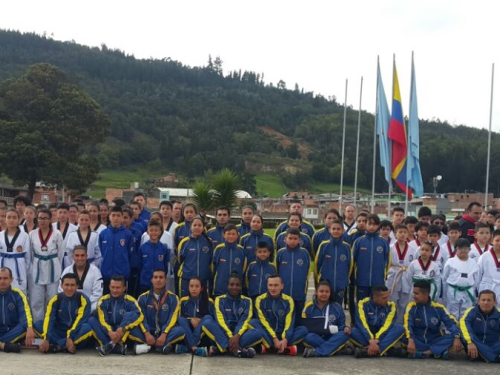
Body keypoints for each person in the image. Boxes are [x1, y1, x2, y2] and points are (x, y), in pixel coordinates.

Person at [35, 273, 93, 353]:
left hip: (75, 332)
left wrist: (70, 337)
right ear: (61, 286)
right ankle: (66, 346)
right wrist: (47, 338)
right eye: (66, 285)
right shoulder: (55, 299)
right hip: (59, 332)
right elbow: (49, 319)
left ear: (77, 286)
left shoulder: (83, 299)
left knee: (87, 328)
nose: (69, 288)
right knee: (38, 324)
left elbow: (80, 321)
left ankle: (57, 346)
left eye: (72, 285)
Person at [250, 275, 307, 355]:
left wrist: (285, 339)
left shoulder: (288, 300)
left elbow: (289, 323)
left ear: (282, 286)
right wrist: (274, 339)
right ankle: (284, 348)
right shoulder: (260, 300)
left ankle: (271, 348)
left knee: (303, 330)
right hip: (268, 335)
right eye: (270, 285)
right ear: (267, 285)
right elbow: (263, 322)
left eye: (276, 285)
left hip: (283, 334)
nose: (273, 288)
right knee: (253, 322)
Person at [404, 280, 462, 359]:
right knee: (399, 330)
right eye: (413, 293)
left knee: (456, 335)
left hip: (434, 340)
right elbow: (408, 324)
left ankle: (426, 353)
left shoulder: (438, 308)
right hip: (416, 341)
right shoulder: (411, 307)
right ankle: (437, 352)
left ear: (426, 294)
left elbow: (451, 323)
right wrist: (411, 339)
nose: (414, 296)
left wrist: (457, 337)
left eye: (416, 293)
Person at [89, 275, 145, 356]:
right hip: (109, 331)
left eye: (118, 288)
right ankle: (116, 348)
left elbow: (140, 316)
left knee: (130, 316)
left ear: (124, 288)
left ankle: (111, 346)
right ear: (109, 287)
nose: (115, 290)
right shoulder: (103, 300)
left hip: (124, 332)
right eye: (112, 287)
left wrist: (123, 328)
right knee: (92, 320)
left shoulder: (130, 300)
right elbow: (103, 320)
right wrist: (110, 332)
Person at [209, 273, 262, 357]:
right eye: (231, 284)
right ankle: (237, 350)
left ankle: (223, 349)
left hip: (240, 335)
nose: (234, 287)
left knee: (258, 333)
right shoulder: (219, 300)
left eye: (237, 285)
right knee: (208, 322)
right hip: (224, 333)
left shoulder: (247, 301)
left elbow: (244, 320)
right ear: (227, 286)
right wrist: (231, 337)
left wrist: (237, 335)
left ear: (241, 287)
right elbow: (221, 321)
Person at [136, 269, 186, 355]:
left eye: (161, 277)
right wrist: (147, 333)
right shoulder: (143, 298)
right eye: (155, 277)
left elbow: (172, 318)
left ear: (166, 280)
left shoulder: (173, 298)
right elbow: (141, 318)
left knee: (180, 330)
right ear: (152, 280)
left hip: (165, 333)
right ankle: (162, 346)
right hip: (148, 332)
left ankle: (150, 346)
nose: (158, 280)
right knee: (132, 330)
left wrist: (164, 333)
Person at [350, 285, 406, 358]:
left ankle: (368, 352)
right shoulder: (362, 304)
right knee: (351, 331)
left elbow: (387, 326)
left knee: (400, 328)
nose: (387, 300)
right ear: (375, 297)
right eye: (384, 298)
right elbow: (362, 324)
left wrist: (376, 340)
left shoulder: (391, 306)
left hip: (382, 336)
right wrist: (370, 340)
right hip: (366, 335)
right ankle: (386, 350)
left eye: (388, 297)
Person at [29, 208, 64, 321]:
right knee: (36, 300)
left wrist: (54, 262)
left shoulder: (57, 233)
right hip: (37, 268)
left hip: (53, 267)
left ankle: (50, 324)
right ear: (37, 219)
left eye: (45, 218)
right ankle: (38, 325)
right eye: (40, 218)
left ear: (50, 220)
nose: (42, 221)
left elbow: (61, 253)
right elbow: (30, 253)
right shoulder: (32, 234)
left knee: (52, 298)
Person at [302, 281, 352, 358]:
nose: (324, 294)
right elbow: (305, 325)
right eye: (321, 291)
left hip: (332, 336)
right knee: (308, 337)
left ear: (330, 293)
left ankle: (317, 352)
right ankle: (335, 350)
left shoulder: (337, 307)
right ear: (316, 292)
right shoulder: (309, 307)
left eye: (327, 291)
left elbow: (341, 325)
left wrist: (345, 328)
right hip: (315, 337)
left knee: (345, 335)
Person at [352, 214, 390, 308]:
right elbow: (352, 261)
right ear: (366, 224)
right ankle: (360, 322)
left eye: (374, 224)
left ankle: (375, 322)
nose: (372, 227)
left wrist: (384, 276)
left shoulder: (384, 242)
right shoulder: (358, 241)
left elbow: (387, 261)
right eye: (369, 224)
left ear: (378, 226)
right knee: (361, 304)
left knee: (377, 304)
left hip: (377, 281)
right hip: (362, 280)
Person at [98, 206, 135, 294]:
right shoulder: (103, 234)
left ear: (122, 218)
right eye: (113, 215)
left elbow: (130, 253)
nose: (116, 218)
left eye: (118, 215)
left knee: (122, 300)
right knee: (107, 299)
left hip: (122, 274)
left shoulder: (128, 234)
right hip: (107, 273)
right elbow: (102, 252)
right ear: (109, 217)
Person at [276, 228, 311, 321]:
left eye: (295, 239)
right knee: (283, 317)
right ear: (285, 239)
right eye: (290, 238)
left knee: (297, 318)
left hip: (299, 293)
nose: (292, 241)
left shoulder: (305, 253)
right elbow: (276, 271)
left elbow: (307, 271)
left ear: (299, 240)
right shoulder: (280, 253)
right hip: (283, 293)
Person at [176, 277, 216, 357]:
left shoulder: (209, 302)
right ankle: (194, 348)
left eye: (197, 286)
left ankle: (188, 348)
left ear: (201, 288)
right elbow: (180, 317)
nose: (194, 289)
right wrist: (191, 320)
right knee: (180, 320)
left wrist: (201, 321)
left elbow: (213, 320)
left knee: (208, 318)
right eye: (191, 286)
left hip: (202, 332)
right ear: (188, 287)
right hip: (189, 331)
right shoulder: (183, 301)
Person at [314, 219, 352, 305]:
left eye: (338, 229)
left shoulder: (347, 247)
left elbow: (350, 265)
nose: (336, 231)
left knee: (338, 305)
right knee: (325, 304)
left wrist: (345, 279)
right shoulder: (324, 245)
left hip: (340, 283)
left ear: (343, 231)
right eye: (333, 229)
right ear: (329, 230)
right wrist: (319, 279)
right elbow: (317, 264)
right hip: (326, 282)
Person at [442, 238, 479, 319]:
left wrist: (473, 289)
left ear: (469, 250)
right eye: (460, 248)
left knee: (466, 312)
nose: (463, 250)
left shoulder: (473, 262)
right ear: (456, 249)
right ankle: (452, 331)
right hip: (453, 290)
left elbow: (476, 279)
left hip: (468, 290)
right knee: (452, 311)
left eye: (465, 248)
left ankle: (463, 330)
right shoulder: (450, 262)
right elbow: (445, 277)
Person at [0, 267, 35, 353]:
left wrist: (29, 327)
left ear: (11, 279)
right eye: (0, 278)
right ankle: (5, 346)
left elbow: (25, 313)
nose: (2, 281)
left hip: (14, 331)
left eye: (5, 278)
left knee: (26, 326)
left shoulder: (18, 294)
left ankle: (3, 344)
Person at [460, 289, 500, 363]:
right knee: (464, 336)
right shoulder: (471, 312)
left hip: (492, 345)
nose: (485, 302)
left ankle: (481, 355)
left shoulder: (498, 314)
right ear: (478, 301)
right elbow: (464, 326)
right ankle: (494, 357)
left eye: (489, 300)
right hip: (474, 344)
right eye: (483, 300)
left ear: (494, 302)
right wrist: (470, 342)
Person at [177, 217, 213, 298]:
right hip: (187, 278)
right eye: (195, 225)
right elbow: (180, 260)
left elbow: (210, 260)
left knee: (203, 303)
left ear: (203, 227)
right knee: (185, 302)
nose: (197, 227)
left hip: (203, 278)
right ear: (191, 227)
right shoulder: (184, 242)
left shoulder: (208, 242)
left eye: (199, 225)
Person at [59, 245, 103, 312]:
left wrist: (84, 304)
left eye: (82, 255)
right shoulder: (67, 270)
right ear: (73, 257)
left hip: (89, 305)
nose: (80, 258)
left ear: (86, 256)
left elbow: (98, 293)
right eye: (77, 255)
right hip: (70, 304)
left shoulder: (95, 271)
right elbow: (61, 290)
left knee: (97, 305)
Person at [386, 224, 415, 322]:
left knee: (404, 301)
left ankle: (401, 324)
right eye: (400, 232)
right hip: (394, 274)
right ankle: (391, 322)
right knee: (392, 299)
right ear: (395, 234)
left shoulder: (412, 249)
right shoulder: (390, 247)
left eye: (405, 232)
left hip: (406, 274)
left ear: (407, 234)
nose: (402, 234)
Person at [0, 209, 31, 293]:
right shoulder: (0, 235)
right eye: (9, 217)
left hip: (19, 267)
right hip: (3, 264)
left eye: (14, 217)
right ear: (5, 219)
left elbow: (28, 257)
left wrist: (25, 271)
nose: (11, 220)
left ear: (19, 219)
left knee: (19, 291)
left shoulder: (24, 236)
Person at [212, 224, 247, 297]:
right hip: (220, 288)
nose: (231, 236)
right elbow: (213, 268)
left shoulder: (241, 250)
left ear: (237, 235)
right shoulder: (218, 249)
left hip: (236, 289)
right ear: (223, 235)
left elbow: (243, 269)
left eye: (233, 234)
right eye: (228, 234)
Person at [138, 221, 170, 295]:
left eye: (156, 230)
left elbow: (165, 265)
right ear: (147, 232)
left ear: (160, 232)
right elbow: (140, 265)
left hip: (159, 283)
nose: (153, 233)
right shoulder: (143, 248)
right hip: (145, 282)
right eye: (151, 230)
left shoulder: (164, 248)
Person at [477, 229, 500, 306]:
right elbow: (478, 274)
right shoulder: (485, 256)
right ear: (492, 241)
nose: (499, 243)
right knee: (486, 309)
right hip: (487, 286)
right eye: (497, 240)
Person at [53, 203, 78, 270]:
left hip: (69, 258)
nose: (62, 215)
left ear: (68, 214)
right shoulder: (51, 227)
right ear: (57, 214)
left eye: (65, 212)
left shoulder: (75, 229)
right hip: (54, 257)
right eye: (60, 212)